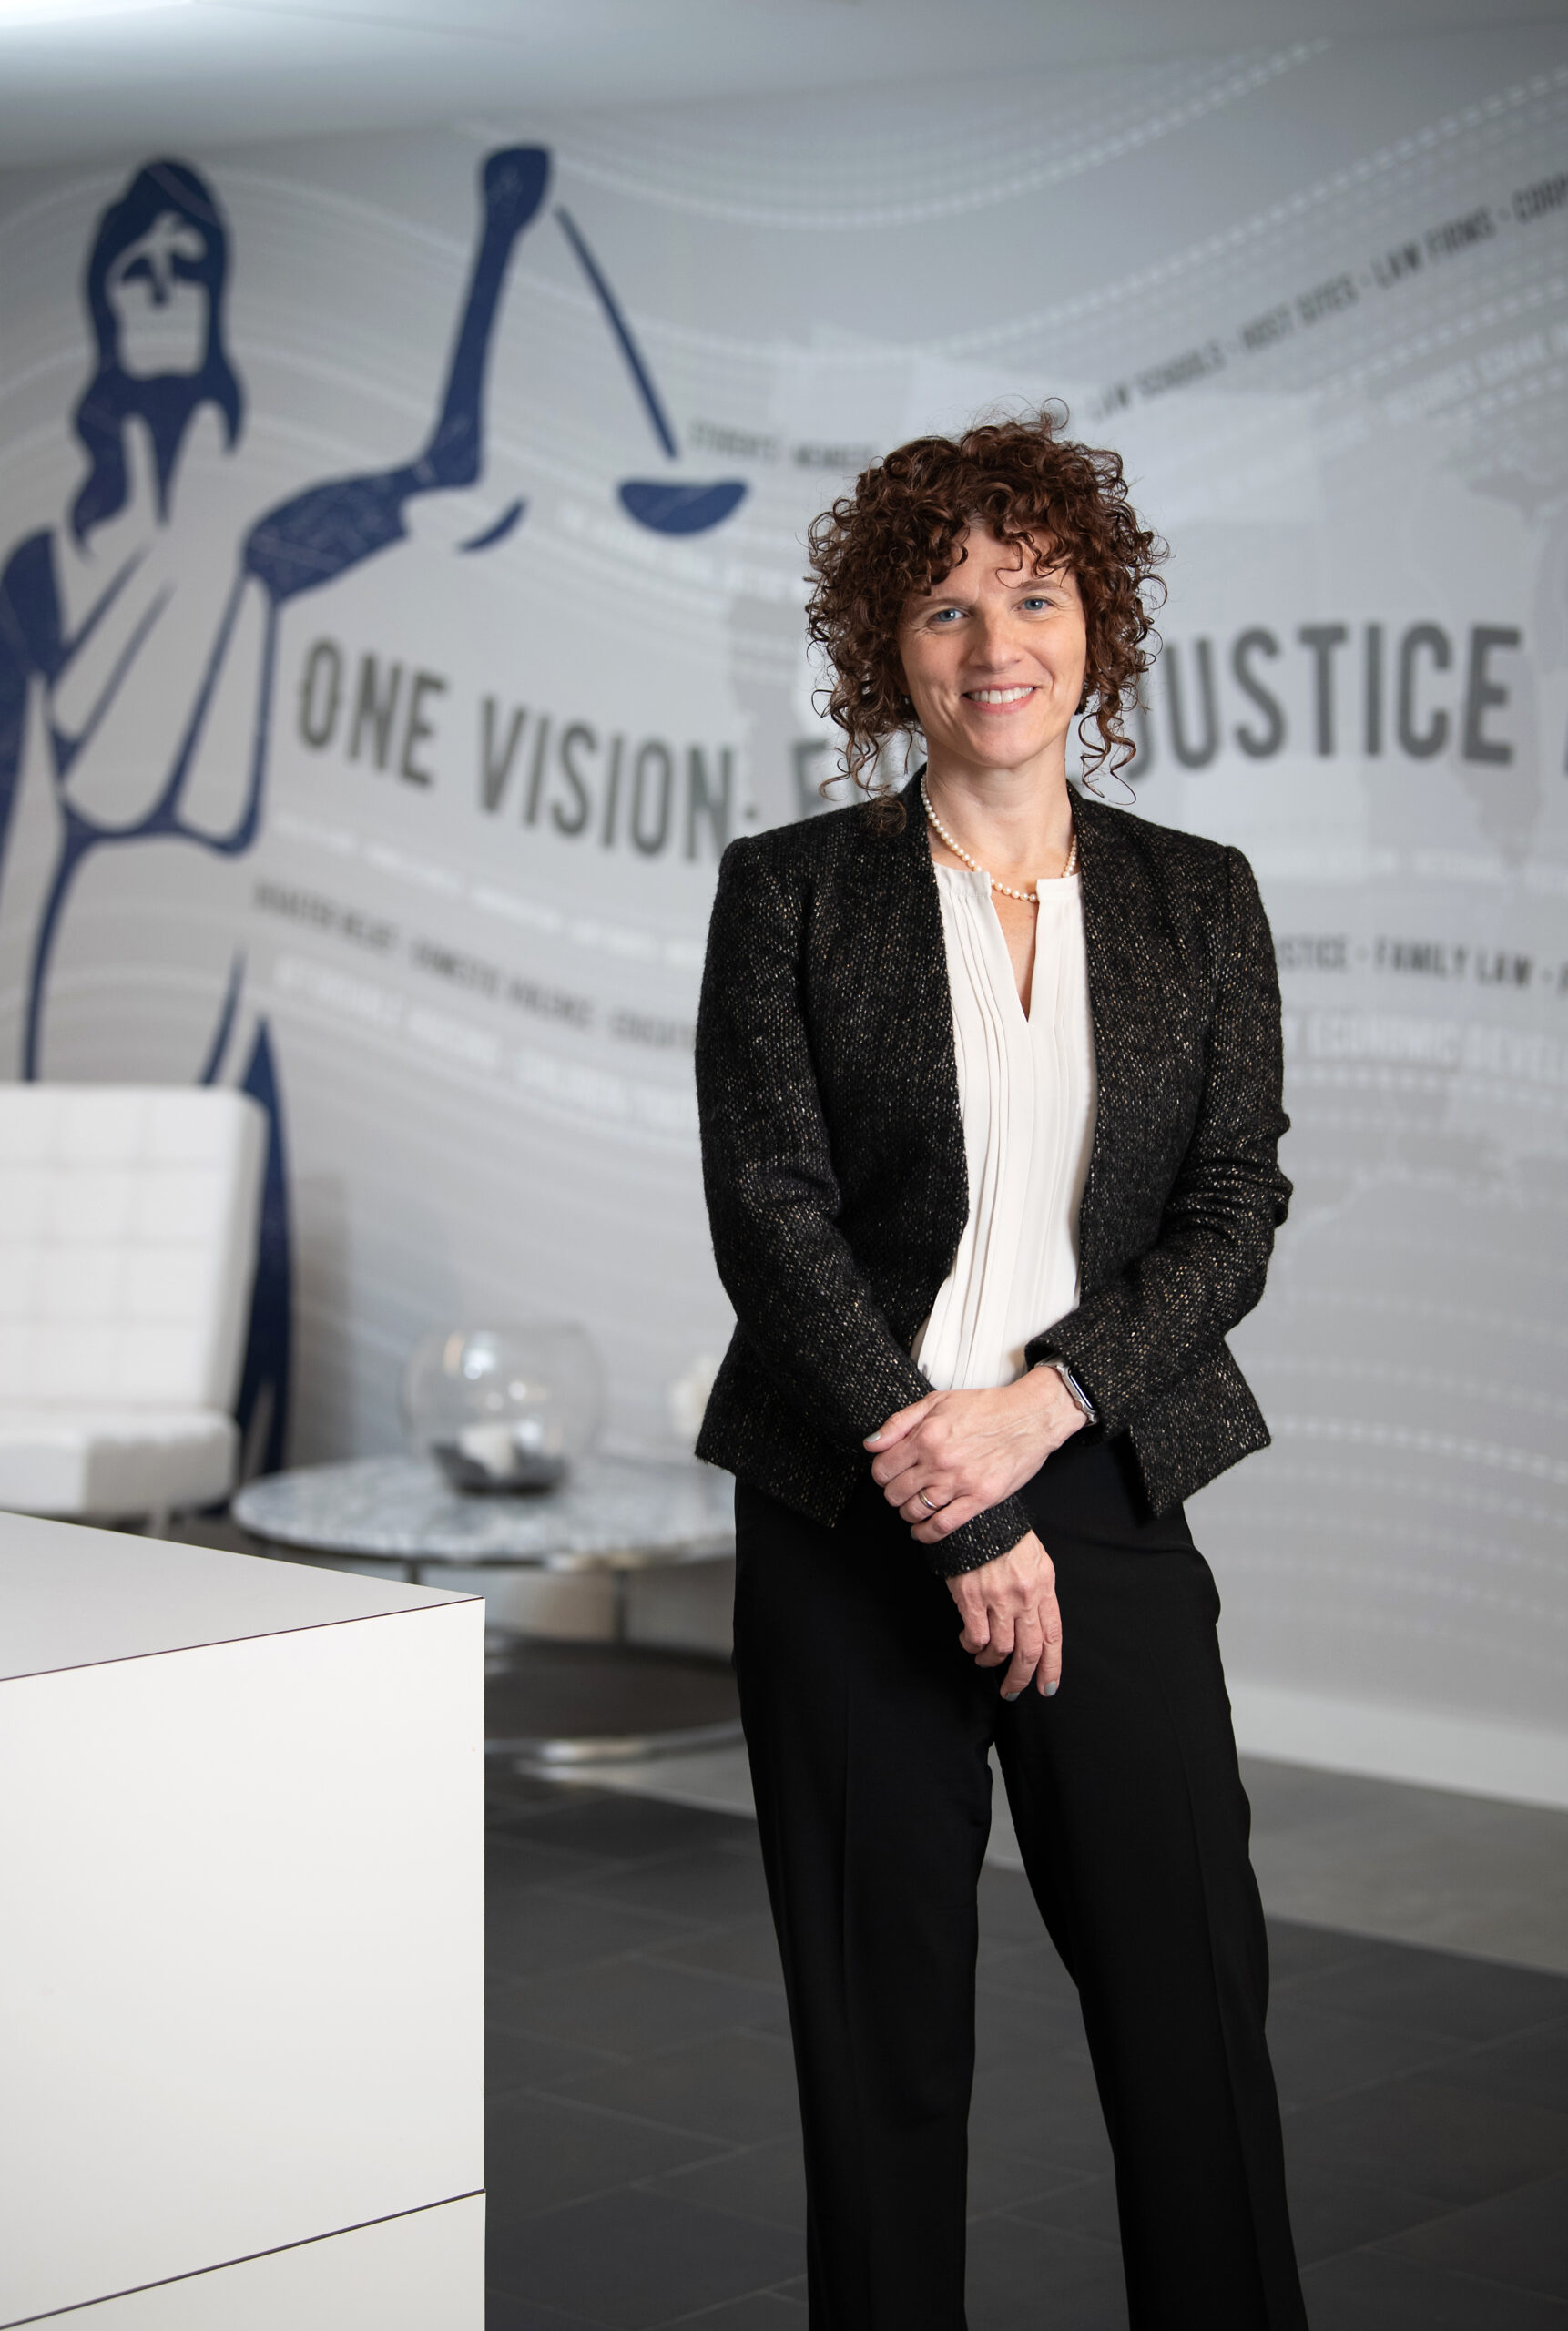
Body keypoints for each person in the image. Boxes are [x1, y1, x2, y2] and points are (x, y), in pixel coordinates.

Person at [694, 407, 1307, 2329]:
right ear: (884, 649)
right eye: (942, 606)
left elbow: (1231, 1212)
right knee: (880, 2049)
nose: (993, 644)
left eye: (1032, 595)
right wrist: (945, 1492)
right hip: (846, 1505)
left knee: (1191, 2014)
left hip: (1103, 1482)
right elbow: (772, 1218)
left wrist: (1037, 1418)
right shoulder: (791, 890)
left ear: (1094, 626)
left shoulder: (1200, 895)